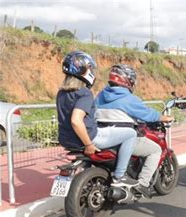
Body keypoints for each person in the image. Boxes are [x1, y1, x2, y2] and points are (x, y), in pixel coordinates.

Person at [56, 52, 138, 187]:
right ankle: (120, 176)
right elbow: (76, 121)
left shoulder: (61, 93)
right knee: (131, 134)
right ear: (83, 71)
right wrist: (88, 144)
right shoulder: (84, 93)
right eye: (90, 69)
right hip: (89, 138)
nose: (92, 72)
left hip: (66, 140)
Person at [95, 64, 174, 198]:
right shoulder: (129, 98)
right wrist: (164, 118)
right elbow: (147, 114)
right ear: (127, 80)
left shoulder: (100, 95)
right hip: (122, 138)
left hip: (102, 136)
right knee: (155, 150)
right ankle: (142, 184)